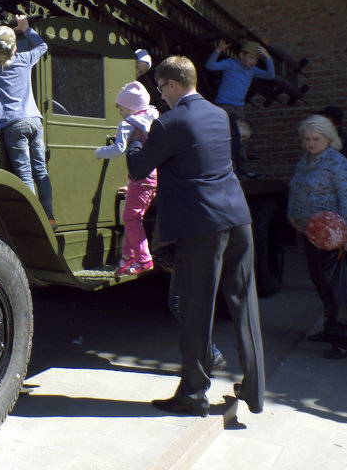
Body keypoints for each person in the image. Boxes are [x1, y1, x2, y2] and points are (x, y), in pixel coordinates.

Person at [126, 56, 264, 417]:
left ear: (172, 84)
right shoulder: (221, 115)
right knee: (245, 304)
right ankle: (254, 388)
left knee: (195, 309)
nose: (161, 96)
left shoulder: (170, 122)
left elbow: (138, 169)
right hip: (238, 218)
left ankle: (193, 394)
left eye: (161, 88)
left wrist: (134, 137)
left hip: (201, 226)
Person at [287, 114, 347, 358]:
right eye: (306, 139)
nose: (310, 143)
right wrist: (292, 213)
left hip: (333, 236)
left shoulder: (338, 164)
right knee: (320, 283)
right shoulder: (305, 161)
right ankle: (330, 328)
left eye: (316, 139)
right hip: (310, 234)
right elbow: (295, 188)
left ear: (329, 137)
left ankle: (345, 340)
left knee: (336, 288)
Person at [0, 16, 55, 226]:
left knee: (24, 173)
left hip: (13, 124)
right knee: (40, 171)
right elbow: (43, 45)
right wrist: (25, 28)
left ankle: (34, 219)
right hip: (35, 121)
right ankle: (49, 216)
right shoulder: (26, 59)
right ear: (15, 48)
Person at [95, 81, 157, 275]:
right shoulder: (150, 119)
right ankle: (127, 258)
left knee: (131, 219)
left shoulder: (127, 123)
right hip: (151, 178)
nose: (120, 112)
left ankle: (143, 259)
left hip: (139, 178)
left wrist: (99, 152)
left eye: (121, 108)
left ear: (129, 107)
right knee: (132, 218)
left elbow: (118, 149)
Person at [205, 38, 275, 177]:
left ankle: (243, 168)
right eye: (251, 57)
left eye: (255, 59)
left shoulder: (252, 70)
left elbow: (270, 75)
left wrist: (267, 58)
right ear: (241, 55)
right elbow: (210, 66)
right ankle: (228, 169)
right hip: (224, 106)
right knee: (225, 137)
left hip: (239, 108)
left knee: (242, 138)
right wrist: (219, 50)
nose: (253, 61)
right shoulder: (230, 64)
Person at [317, 106, 347, 172]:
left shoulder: (342, 141)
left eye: (326, 119)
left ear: (335, 123)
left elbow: (345, 168)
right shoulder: (327, 137)